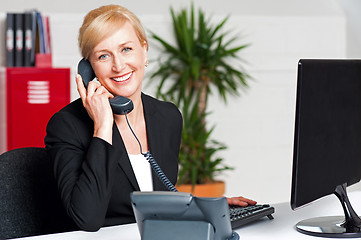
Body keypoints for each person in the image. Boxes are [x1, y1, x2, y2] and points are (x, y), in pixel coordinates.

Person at [45, 4, 256, 232]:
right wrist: (103, 126)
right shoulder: (67, 126)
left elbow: (157, 203)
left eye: (126, 49)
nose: (118, 65)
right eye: (103, 56)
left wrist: (205, 208)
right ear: (89, 69)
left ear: (144, 51)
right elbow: (87, 219)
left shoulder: (167, 116)